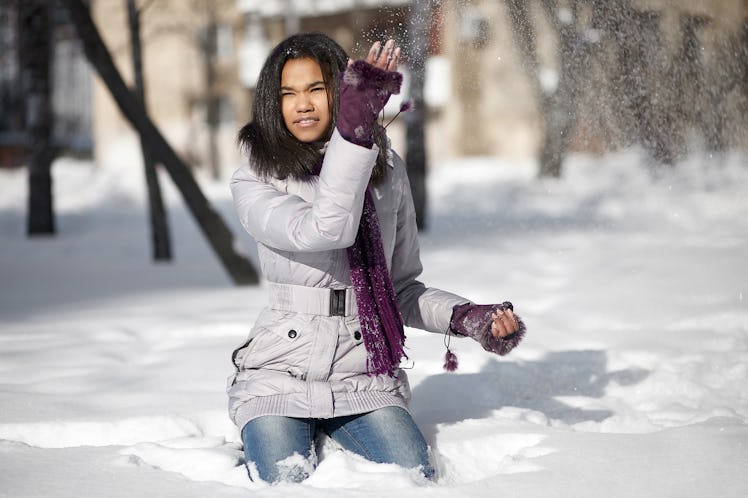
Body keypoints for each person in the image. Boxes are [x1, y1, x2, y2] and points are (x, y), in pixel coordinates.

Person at [228, 32, 526, 484]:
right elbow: (327, 227)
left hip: (361, 375)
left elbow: (400, 288)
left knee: (414, 476)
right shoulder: (259, 174)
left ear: (340, 91)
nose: (302, 105)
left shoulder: (387, 171)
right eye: (288, 93)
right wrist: (353, 134)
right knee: (282, 482)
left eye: (315, 89)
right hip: (280, 369)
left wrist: (467, 317)